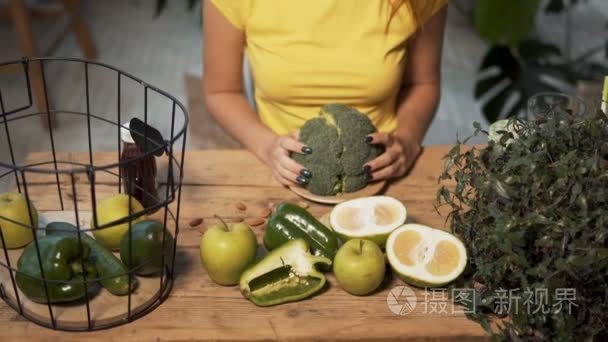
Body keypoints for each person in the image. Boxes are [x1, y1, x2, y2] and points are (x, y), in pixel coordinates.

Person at [203, 0, 447, 187]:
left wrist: (408, 140)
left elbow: (423, 83)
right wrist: (268, 147)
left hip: (385, 176)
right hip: (279, 176)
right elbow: (221, 91)